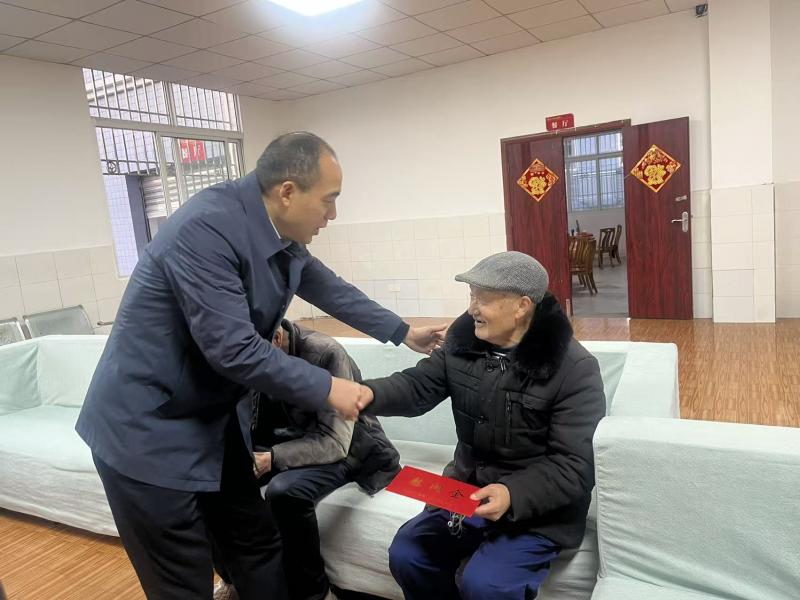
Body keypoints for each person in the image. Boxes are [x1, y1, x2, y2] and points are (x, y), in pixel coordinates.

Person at [76, 132, 444, 600]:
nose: (333, 214)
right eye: (329, 199)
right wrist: (328, 388)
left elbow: (326, 286)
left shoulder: (277, 231)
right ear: (288, 192)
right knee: (183, 578)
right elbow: (234, 349)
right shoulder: (205, 230)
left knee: (256, 543)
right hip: (148, 429)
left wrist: (402, 331)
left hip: (211, 422)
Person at [359, 251, 606, 600]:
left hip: (538, 512)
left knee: (486, 585)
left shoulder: (574, 369)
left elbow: (575, 465)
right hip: (467, 493)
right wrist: (363, 394)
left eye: (483, 299)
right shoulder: (462, 346)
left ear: (521, 306)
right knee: (408, 554)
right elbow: (417, 387)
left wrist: (511, 494)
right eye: (471, 296)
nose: (472, 308)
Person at [213, 319, 400, 600]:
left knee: (284, 492)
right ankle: (233, 580)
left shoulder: (325, 353)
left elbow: (335, 440)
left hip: (350, 448)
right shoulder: (249, 352)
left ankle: (316, 593)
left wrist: (272, 458)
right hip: (286, 440)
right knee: (213, 477)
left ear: (277, 338)